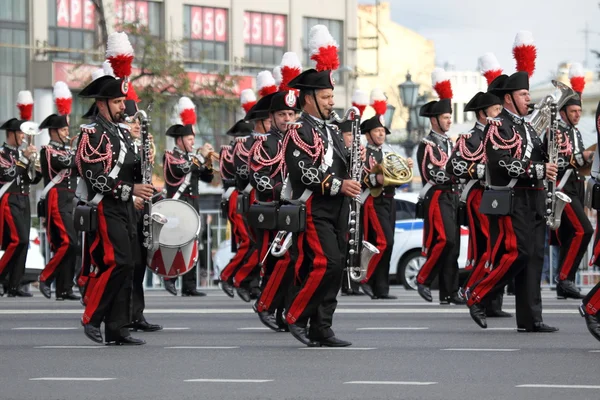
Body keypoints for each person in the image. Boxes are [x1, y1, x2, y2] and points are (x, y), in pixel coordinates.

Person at [467, 71, 558, 333]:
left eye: (528, 93)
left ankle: (531, 319)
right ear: (509, 98)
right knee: (519, 253)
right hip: (514, 197)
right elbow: (501, 162)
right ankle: (476, 295)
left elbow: (543, 158)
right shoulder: (497, 125)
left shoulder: (528, 126)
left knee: (534, 258)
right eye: (523, 94)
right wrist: (540, 170)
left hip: (535, 198)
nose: (529, 99)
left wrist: (555, 146)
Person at [283, 68, 359, 347]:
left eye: (331, 96)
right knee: (326, 263)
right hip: (314, 206)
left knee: (336, 266)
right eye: (326, 97)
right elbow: (304, 172)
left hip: (337, 207)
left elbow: (341, 165)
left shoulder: (333, 129)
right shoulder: (298, 130)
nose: (331, 101)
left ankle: (322, 327)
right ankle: (295, 315)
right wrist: (340, 185)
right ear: (309, 98)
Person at [77, 75, 153, 345]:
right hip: (106, 207)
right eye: (118, 102)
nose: (124, 106)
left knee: (130, 264)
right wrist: (130, 190)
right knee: (117, 261)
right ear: (101, 104)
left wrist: (145, 161)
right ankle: (91, 317)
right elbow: (93, 176)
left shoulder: (121, 132)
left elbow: (132, 170)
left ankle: (118, 328)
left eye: (123, 101)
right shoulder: (91, 134)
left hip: (126, 208)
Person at [446, 91, 510, 317]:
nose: (500, 113)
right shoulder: (469, 138)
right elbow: (452, 167)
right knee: (486, 248)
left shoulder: (504, 133)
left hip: (500, 194)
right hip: (480, 194)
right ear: (483, 114)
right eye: (495, 110)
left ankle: (493, 303)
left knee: (500, 249)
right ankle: (473, 293)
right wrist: (480, 170)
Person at [251, 89, 299, 331]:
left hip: (295, 210)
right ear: (272, 117)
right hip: (272, 210)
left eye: (291, 113)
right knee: (277, 261)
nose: (287, 119)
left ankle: (283, 312)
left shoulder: (299, 139)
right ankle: (265, 305)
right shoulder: (265, 143)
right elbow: (257, 176)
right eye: (282, 114)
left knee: (295, 263)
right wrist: (282, 190)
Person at [359, 114, 413, 299]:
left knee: (386, 245)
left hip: (389, 199)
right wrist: (376, 178)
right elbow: (359, 177)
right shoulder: (362, 153)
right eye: (377, 131)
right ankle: (364, 279)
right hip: (374, 200)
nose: (381, 134)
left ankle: (381, 289)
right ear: (368, 135)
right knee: (384, 242)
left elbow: (397, 181)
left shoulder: (388, 153)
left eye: (383, 131)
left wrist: (406, 169)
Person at [416, 98, 463, 305]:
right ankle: (423, 278)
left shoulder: (450, 143)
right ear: (434, 120)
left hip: (452, 196)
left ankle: (449, 292)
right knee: (445, 239)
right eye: (445, 117)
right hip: (437, 195)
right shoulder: (427, 144)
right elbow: (432, 174)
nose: (449, 121)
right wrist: (458, 175)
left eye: (450, 117)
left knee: (454, 246)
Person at [162, 118, 214, 297]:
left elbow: (207, 178)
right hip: (178, 204)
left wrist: (207, 161)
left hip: (193, 204)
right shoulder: (170, 156)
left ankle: (189, 285)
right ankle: (169, 278)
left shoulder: (193, 158)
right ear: (179, 141)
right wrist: (200, 157)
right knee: (177, 242)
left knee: (193, 243)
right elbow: (182, 169)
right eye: (190, 139)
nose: (194, 142)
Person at [123, 98, 162, 332]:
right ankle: (120, 315)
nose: (137, 125)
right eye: (131, 121)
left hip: (139, 210)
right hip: (123, 206)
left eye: (138, 121)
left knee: (139, 264)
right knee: (125, 265)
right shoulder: (119, 145)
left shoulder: (140, 145)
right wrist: (132, 196)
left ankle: (136, 314)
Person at [551, 90, 593, 299]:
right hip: (562, 187)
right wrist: (582, 156)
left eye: (579, 110)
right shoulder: (555, 130)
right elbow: (555, 161)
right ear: (563, 112)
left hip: (575, 186)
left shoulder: (575, 132)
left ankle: (563, 283)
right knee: (583, 230)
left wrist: (588, 158)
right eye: (573, 110)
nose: (577, 114)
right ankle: (565, 279)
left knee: (570, 235)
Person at [230, 95, 272, 302]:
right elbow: (243, 174)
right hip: (252, 197)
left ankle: (254, 283)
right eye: (269, 120)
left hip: (270, 199)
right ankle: (241, 279)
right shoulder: (244, 143)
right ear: (259, 122)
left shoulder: (276, 140)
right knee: (256, 244)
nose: (273, 124)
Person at [0, 102, 42, 297]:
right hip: (10, 199)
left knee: (23, 243)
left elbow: (31, 180)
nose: (24, 137)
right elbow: (8, 174)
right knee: (18, 240)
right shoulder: (2, 154)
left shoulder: (20, 154)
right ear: (11, 133)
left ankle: (14, 285)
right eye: (21, 133)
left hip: (23, 199)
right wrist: (25, 160)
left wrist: (36, 166)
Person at [37, 113, 79, 300]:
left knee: (71, 244)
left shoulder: (68, 150)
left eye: (66, 129)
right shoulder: (48, 150)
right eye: (62, 129)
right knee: (67, 241)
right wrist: (78, 153)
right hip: (57, 197)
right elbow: (66, 163)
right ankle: (45, 277)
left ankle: (64, 287)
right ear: (53, 131)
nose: (66, 132)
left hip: (70, 198)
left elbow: (79, 167)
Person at [218, 119, 255, 298]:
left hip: (245, 198)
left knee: (254, 243)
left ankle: (243, 280)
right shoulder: (231, 151)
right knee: (249, 242)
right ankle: (229, 276)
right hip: (236, 197)